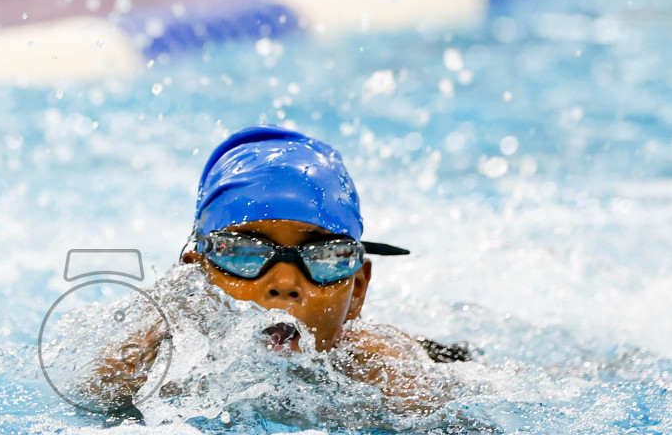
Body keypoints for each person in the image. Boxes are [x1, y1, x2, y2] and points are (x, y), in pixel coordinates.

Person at [86, 125, 469, 417]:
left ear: (357, 290)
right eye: (242, 254)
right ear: (195, 279)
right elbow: (92, 398)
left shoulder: (386, 378)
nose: (284, 284)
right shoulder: (152, 364)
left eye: (323, 257)